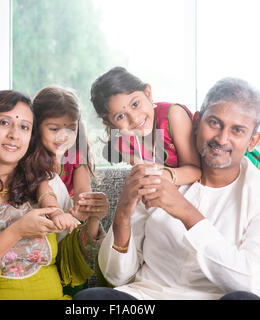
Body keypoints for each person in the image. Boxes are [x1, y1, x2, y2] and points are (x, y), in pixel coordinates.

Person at [73, 77, 260, 300]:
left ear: (253, 141)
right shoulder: (157, 175)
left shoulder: (255, 191)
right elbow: (117, 277)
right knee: (90, 300)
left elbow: (251, 282)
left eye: (237, 130)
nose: (221, 138)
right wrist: (122, 213)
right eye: (214, 123)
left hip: (216, 298)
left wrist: (187, 214)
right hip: (148, 297)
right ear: (197, 122)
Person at [0, 90, 106, 300]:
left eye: (24, 127)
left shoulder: (49, 184)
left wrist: (92, 219)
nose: (14, 134)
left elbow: (71, 263)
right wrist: (16, 232)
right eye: (3, 122)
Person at [90, 66, 201, 185]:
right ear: (110, 124)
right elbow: (145, 175)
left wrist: (165, 175)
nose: (134, 119)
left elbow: (196, 171)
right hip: (165, 194)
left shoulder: (174, 116)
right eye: (120, 116)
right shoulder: (123, 141)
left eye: (135, 104)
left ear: (148, 93)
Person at [32, 85, 109, 236]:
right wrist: (56, 213)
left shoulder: (75, 158)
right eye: (54, 129)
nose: (63, 136)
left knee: (87, 223)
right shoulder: (33, 157)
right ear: (36, 127)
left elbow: (83, 192)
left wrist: (82, 208)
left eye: (71, 129)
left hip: (67, 219)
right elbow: (44, 188)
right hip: (39, 216)